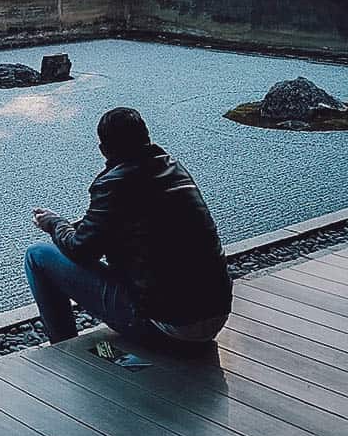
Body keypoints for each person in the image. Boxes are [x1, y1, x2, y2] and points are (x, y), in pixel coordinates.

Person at [24, 107, 232, 345]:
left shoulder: (114, 183)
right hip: (216, 314)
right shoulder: (174, 169)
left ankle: (63, 345)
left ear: (104, 149)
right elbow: (121, 223)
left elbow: (81, 249)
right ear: (146, 137)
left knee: (37, 256)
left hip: (167, 325)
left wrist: (53, 223)